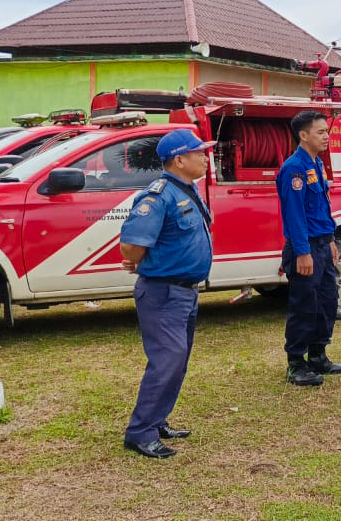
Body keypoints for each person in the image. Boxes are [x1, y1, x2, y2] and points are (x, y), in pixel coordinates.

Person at [119, 129, 216, 459]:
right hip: (163, 293)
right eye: (199, 152)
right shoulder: (158, 196)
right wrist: (142, 262)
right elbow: (131, 247)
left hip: (184, 293)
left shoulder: (186, 190)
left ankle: (157, 420)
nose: (206, 157)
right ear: (179, 159)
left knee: (177, 362)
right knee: (166, 362)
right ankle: (140, 432)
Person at [278, 110, 341, 387]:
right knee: (304, 306)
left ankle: (318, 355)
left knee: (327, 302)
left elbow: (322, 208)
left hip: (322, 244)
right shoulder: (293, 168)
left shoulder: (316, 164)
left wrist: (331, 240)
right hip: (305, 248)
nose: (327, 136)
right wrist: (303, 252)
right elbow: (294, 214)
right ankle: (296, 362)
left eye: (327, 131)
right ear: (303, 135)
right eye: (321, 132)